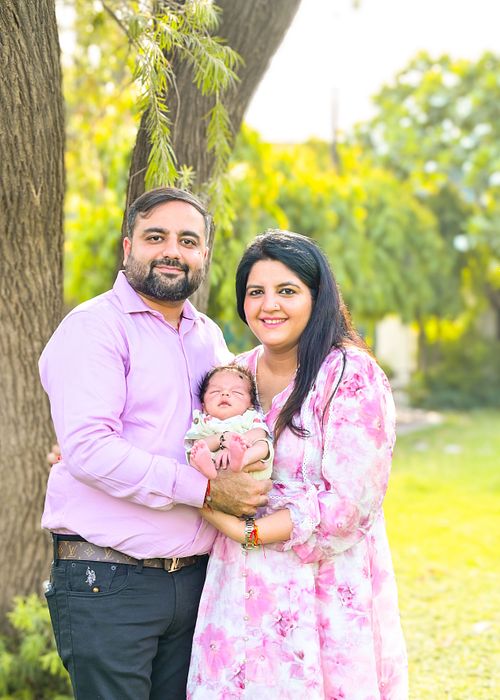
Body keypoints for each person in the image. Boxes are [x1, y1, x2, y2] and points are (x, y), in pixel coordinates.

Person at [39, 187, 271, 700]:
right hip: (109, 578)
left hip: (196, 582)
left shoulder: (208, 338)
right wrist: (205, 490)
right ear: (128, 247)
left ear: (204, 254)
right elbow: (90, 450)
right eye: (155, 237)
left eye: (187, 240)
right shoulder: (93, 328)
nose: (172, 250)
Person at [187, 230, 408, 699]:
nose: (269, 305)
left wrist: (246, 530)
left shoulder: (349, 374)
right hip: (235, 596)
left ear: (316, 296)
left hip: (319, 599)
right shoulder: (235, 373)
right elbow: (190, 446)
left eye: (287, 290)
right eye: (256, 292)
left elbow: (350, 506)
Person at [186, 364, 273, 480]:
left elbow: (260, 432)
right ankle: (209, 471)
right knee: (196, 452)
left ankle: (242, 459)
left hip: (251, 466)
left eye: (237, 392)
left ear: (250, 404)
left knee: (263, 444)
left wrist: (236, 445)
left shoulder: (249, 416)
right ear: (204, 405)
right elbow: (198, 442)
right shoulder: (204, 420)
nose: (225, 394)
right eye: (215, 391)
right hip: (217, 464)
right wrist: (220, 440)